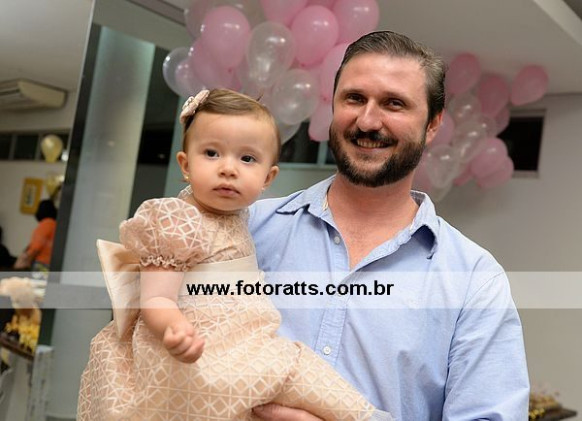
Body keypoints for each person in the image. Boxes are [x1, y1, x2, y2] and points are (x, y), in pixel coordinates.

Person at [249, 31, 530, 421]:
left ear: (432, 124)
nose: (367, 121)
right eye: (354, 98)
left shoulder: (474, 280)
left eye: (394, 103)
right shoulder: (250, 229)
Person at [78, 89, 390, 421]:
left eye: (247, 159)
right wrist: (174, 330)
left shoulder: (242, 217)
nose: (228, 169)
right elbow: (156, 298)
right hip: (196, 349)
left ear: (267, 177)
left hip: (243, 343)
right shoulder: (175, 219)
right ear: (185, 164)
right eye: (211, 153)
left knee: (297, 374)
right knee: (293, 369)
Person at [14, 199, 57, 273]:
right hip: (51, 264)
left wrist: (26, 262)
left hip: (41, 264)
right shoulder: (55, 225)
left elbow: (35, 248)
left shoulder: (45, 224)